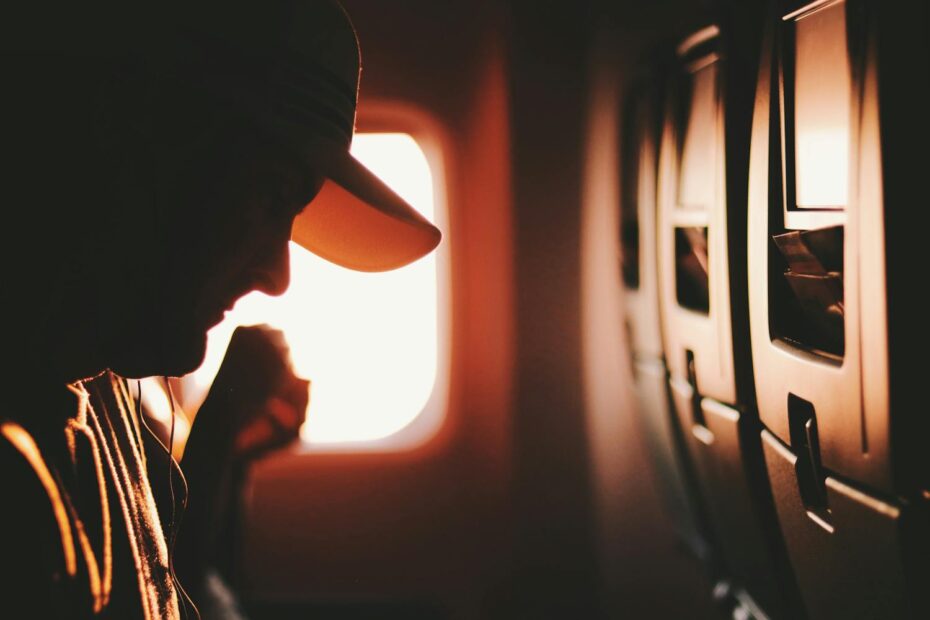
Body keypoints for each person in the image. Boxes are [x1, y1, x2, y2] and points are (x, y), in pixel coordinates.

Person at [0, 1, 441, 618]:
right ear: (139, 139)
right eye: (269, 198)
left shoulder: (101, 390)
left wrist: (227, 448)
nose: (278, 276)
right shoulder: (18, 489)